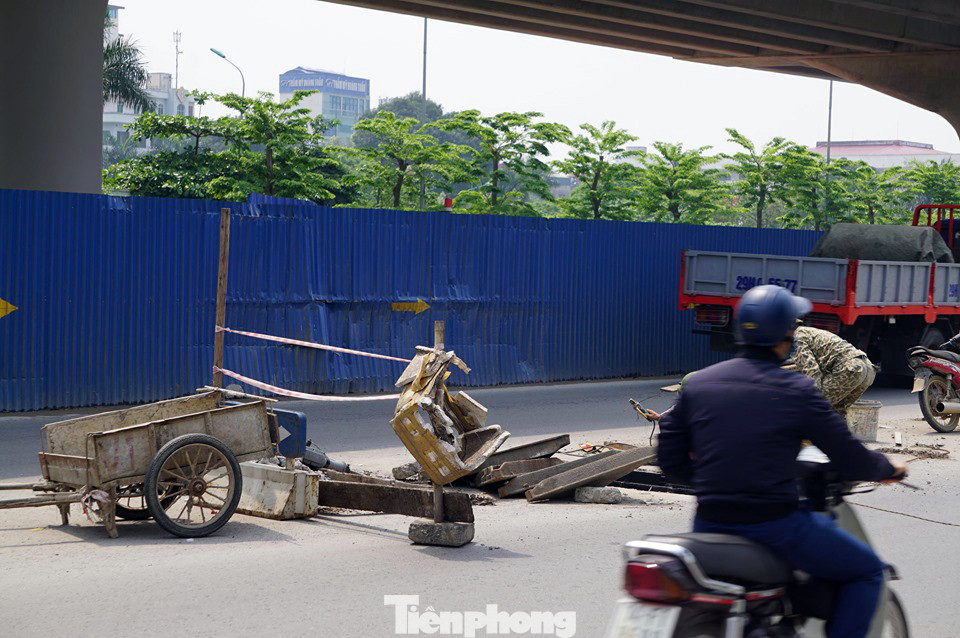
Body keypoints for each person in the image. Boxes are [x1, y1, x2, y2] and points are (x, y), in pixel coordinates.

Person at [658, 285, 906, 638]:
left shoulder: (700, 384)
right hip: (775, 525)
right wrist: (887, 468)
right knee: (867, 571)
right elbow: (849, 456)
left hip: (708, 523)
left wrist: (710, 483)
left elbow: (669, 454)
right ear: (787, 335)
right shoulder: (796, 390)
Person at [790, 324, 878, 415]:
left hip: (850, 368)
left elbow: (810, 370)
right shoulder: (807, 332)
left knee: (812, 406)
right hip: (866, 368)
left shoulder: (796, 337)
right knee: (836, 412)